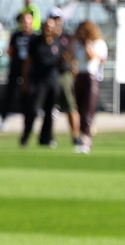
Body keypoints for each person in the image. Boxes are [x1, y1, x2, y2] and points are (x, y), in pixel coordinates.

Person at [20, 9, 64, 147]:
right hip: (39, 81)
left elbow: (61, 62)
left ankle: (46, 137)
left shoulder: (57, 44)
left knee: (49, 111)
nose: (48, 30)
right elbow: (27, 62)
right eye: (46, 27)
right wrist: (25, 80)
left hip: (53, 81)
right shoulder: (35, 42)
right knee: (33, 109)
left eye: (50, 27)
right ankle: (26, 136)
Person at [72, 21, 107, 153]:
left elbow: (91, 57)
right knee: (80, 109)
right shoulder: (78, 44)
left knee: (88, 110)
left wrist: (87, 42)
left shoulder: (98, 43)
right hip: (80, 76)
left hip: (91, 78)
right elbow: (72, 57)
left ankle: (86, 139)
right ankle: (84, 136)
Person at [0, 11, 34, 130]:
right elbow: (10, 50)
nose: (26, 23)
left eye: (28, 20)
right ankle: (3, 119)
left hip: (29, 70)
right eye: (24, 21)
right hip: (15, 67)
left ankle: (28, 120)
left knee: (28, 94)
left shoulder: (34, 37)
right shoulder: (16, 35)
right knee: (9, 92)